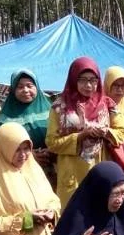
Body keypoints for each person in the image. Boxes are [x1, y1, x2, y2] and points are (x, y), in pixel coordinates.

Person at [46, 57, 112, 208]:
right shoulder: (60, 107)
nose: (88, 85)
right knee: (73, 221)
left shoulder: (105, 105)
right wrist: (81, 136)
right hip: (72, 173)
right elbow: (51, 142)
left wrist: (105, 132)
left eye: (93, 80)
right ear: (73, 79)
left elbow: (121, 132)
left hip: (99, 169)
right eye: (82, 80)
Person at [0, 69, 55, 185]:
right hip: (21, 172)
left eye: (29, 86)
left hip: (54, 169)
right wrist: (29, 155)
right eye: (20, 87)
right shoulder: (5, 117)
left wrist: (52, 150)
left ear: (37, 87)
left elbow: (61, 135)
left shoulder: (52, 110)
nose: (25, 90)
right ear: (13, 90)